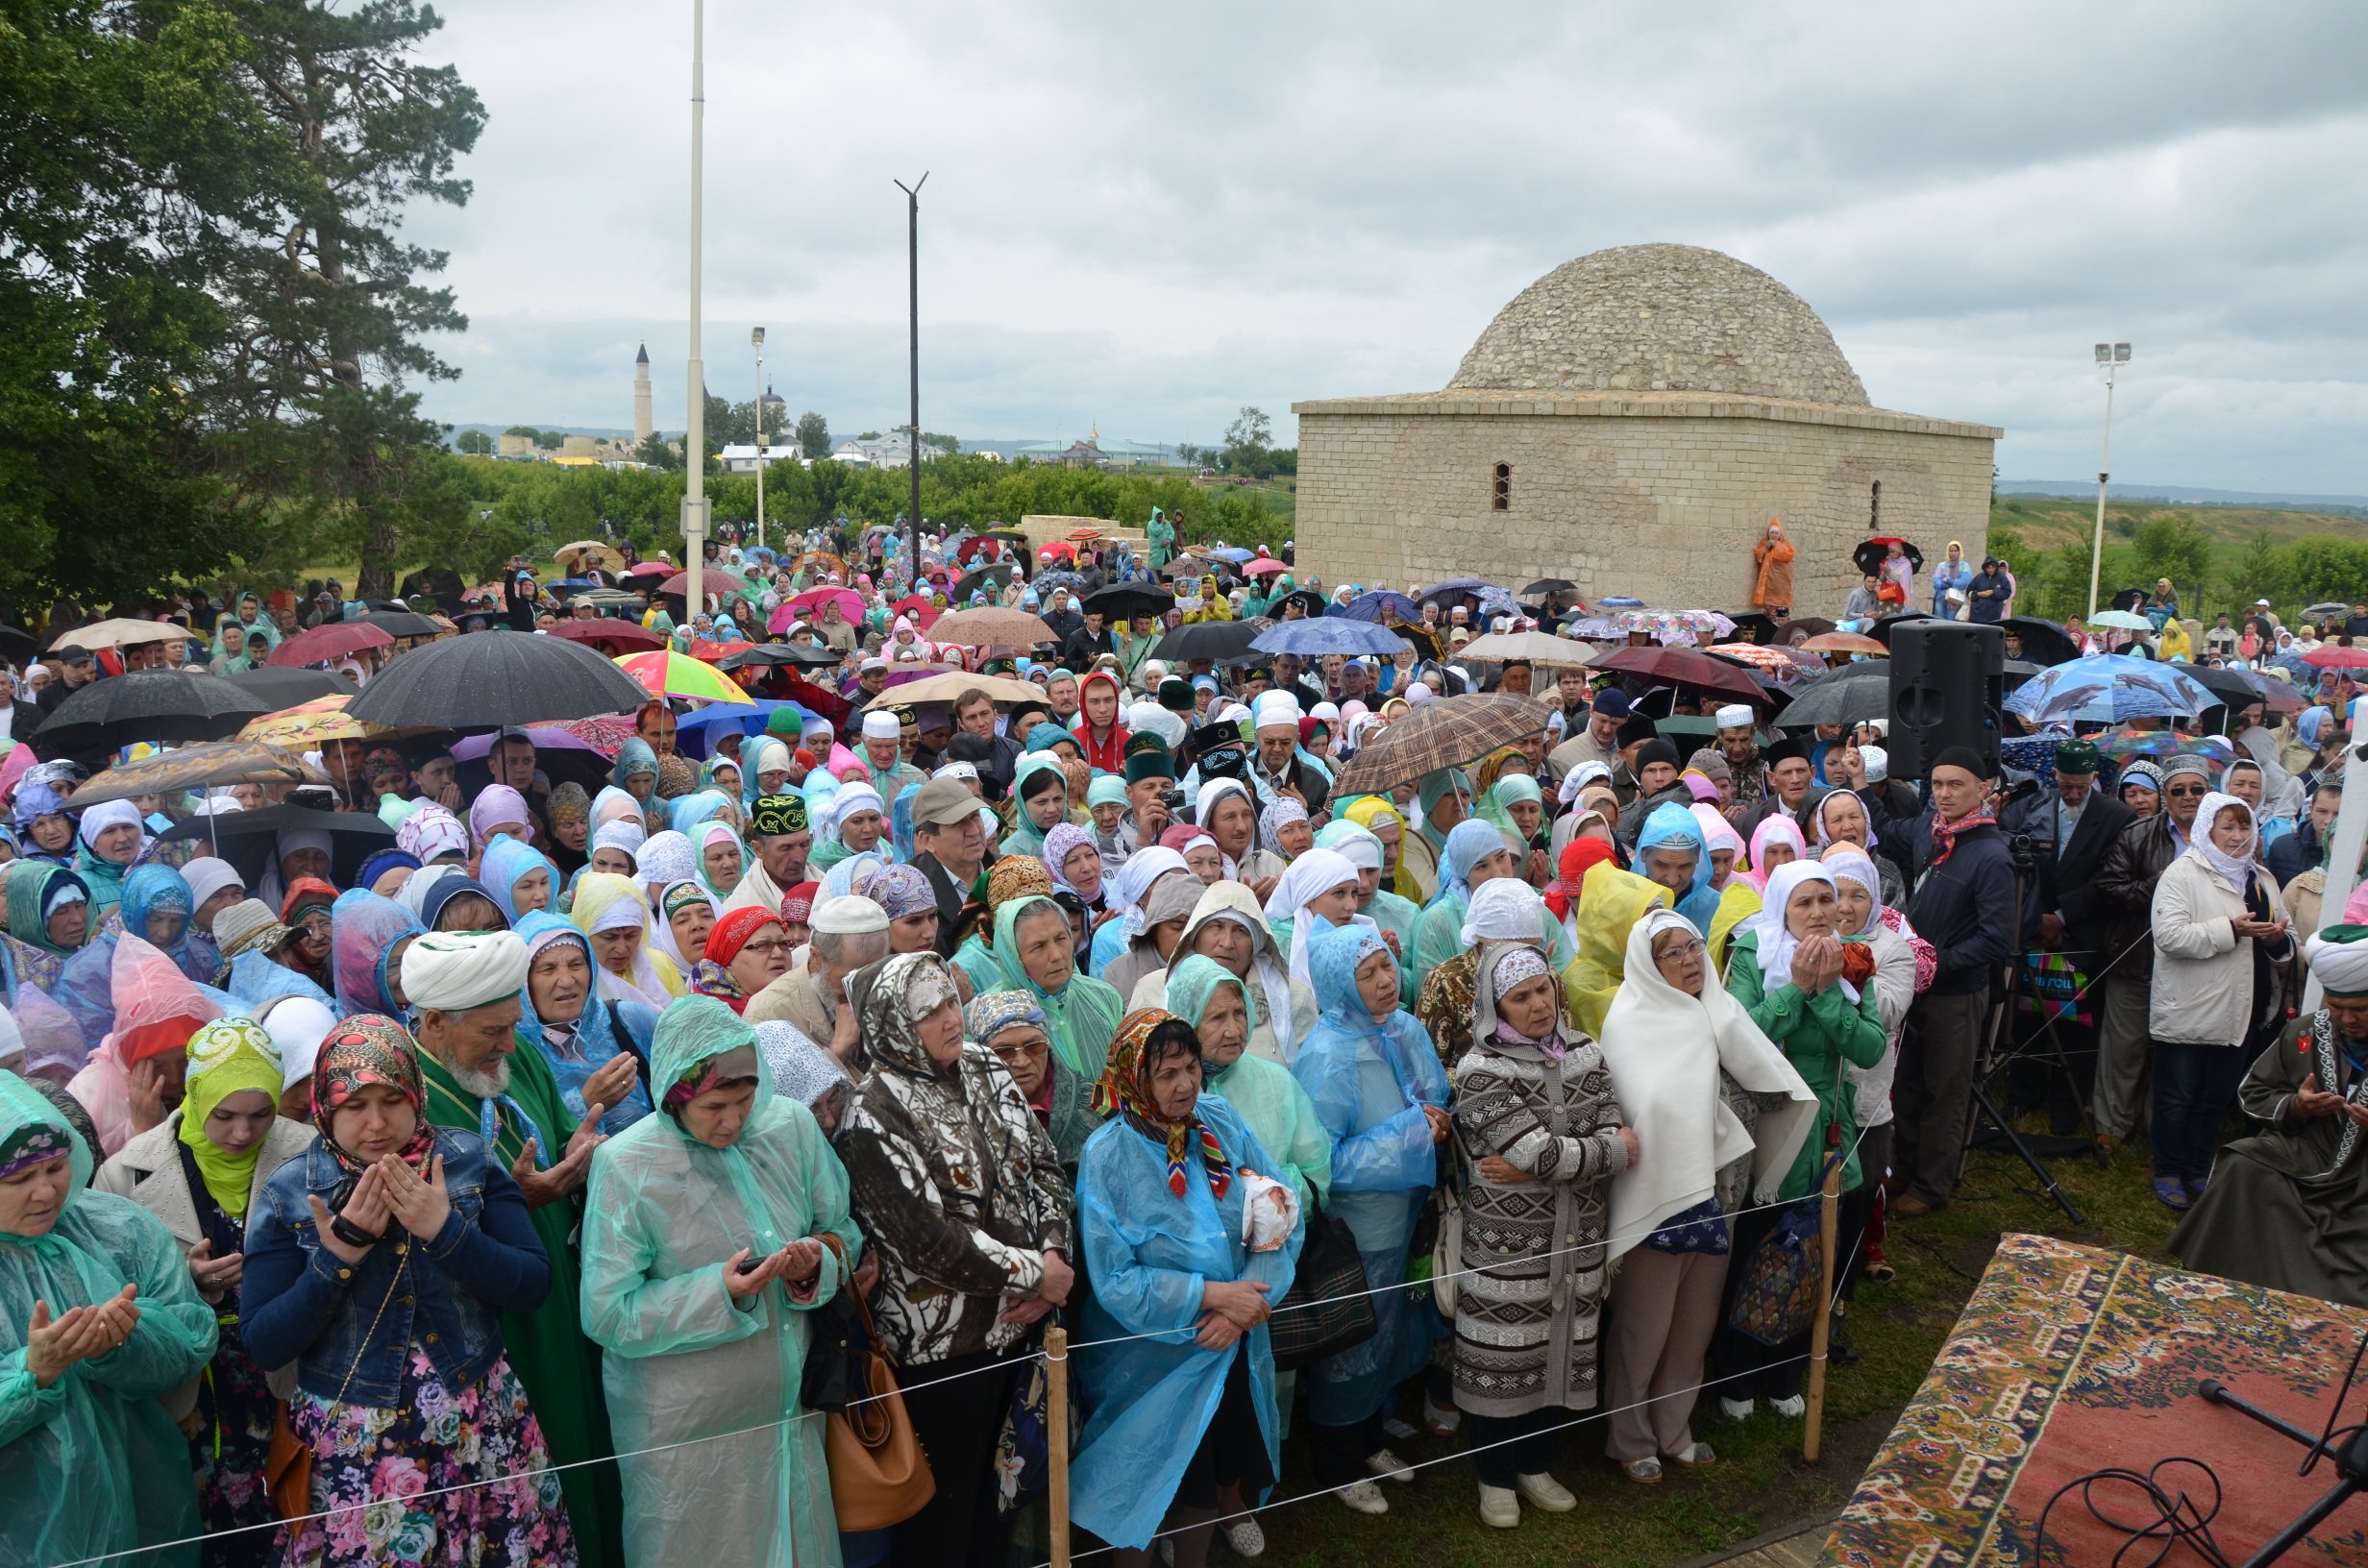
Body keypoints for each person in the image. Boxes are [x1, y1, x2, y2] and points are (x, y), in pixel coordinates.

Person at [240, 1015, 577, 1568]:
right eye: (354, 1106)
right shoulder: (291, 1192)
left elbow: (531, 1285)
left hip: (481, 1425)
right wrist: (340, 1256)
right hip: (356, 1446)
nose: (377, 1124)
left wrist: (445, 1231)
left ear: (416, 1093)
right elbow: (265, 1343)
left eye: (392, 1100)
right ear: (325, 1107)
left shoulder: (468, 1160)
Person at [579, 995, 861, 1568]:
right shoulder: (629, 1166)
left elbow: (842, 1231)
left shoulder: (789, 1128)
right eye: (713, 1106)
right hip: (688, 1437)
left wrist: (816, 1266)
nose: (732, 1120)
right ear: (674, 1098)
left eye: (743, 1099)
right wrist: (719, 1292)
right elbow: (608, 1313)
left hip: (788, 1419)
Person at [834, 951, 1074, 1568]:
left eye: (949, 1002)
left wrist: (1053, 1253)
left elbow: (1042, 1164)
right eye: (928, 1014)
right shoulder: (872, 1115)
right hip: (941, 1356)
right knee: (943, 1527)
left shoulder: (985, 1064)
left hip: (1019, 1330)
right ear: (890, 1025)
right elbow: (931, 1242)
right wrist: (1037, 1274)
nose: (949, 1020)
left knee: (1000, 1510)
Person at [405, 929, 631, 1568]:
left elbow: (560, 1136)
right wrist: (516, 1203)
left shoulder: (517, 1057)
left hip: (556, 1281)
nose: (509, 1045)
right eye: (492, 1033)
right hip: (481, 1316)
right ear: (434, 1024)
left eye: (512, 1026)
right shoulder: (401, 1094)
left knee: (583, 1438)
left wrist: (576, 1156)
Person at [1071, 1008, 1304, 1565]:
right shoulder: (1108, 1155)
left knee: (1207, 1480)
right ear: (1134, 1079)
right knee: (1143, 1490)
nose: (1185, 1085)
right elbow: (1118, 1282)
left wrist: (1246, 1303)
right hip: (1149, 1359)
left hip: (1225, 1343)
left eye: (1190, 1067)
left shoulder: (1218, 1122)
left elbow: (1276, 1217)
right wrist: (1214, 1297)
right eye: (1165, 1074)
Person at [1597, 910, 1813, 1482]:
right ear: (1648, 964)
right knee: (1644, 1327)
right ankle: (1629, 1435)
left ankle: (1675, 1428)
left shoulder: (1722, 1012)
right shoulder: (1632, 1022)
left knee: (1694, 1324)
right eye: (1672, 953)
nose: (1691, 960)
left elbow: (1771, 1085)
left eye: (1694, 946)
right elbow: (1646, 1113)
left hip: (1721, 1196)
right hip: (1662, 1204)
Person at [93, 1017, 314, 1565]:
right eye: (225, 1116)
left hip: (291, 1371)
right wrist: (183, 1280)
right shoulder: (126, 1174)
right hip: (195, 1391)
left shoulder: (311, 1152)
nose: (242, 1133)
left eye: (260, 1115)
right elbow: (109, 1291)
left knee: (299, 1512)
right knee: (214, 1528)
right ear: (193, 1094)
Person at [0, 1072, 220, 1568]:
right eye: (17, 1180)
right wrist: (32, 1375)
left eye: (57, 1168)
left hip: (140, 1500)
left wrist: (126, 1341)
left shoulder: (117, 1227)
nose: (45, 1193)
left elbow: (190, 1342)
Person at [1449, 942, 1633, 1527]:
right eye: (1520, 997)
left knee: (1556, 1353)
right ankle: (1493, 1477)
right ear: (1497, 1006)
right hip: (1507, 1250)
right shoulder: (1480, 1070)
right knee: (1502, 1357)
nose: (1537, 1005)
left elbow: (1580, 1141)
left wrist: (1542, 1163)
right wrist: (1590, 1154)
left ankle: (1534, 1465)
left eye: (1543, 990)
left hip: (1577, 1242)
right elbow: (1544, 1148)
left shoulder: (1585, 1052)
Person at [1714, 862, 1886, 1417]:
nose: (1816, 913)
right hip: (1771, 1123)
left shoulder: (1852, 960)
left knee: (1813, 1253)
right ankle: (1737, 1374)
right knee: (1758, 1247)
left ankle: (1785, 1370)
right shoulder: (1752, 956)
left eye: (1825, 901)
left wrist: (1830, 992)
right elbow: (1742, 1035)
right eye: (1802, 903)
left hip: (1829, 1124)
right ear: (1781, 907)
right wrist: (1795, 990)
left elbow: (1868, 1049)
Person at [1291, 923, 1448, 1515]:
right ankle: (1337, 1461)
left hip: (1407, 1213)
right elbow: (1322, 1163)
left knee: (1386, 1334)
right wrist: (1414, 1132)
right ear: (1339, 985)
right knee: (1351, 1341)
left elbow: (1432, 1092)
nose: (1386, 982)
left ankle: (1369, 1437)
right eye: (1368, 974)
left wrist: (1434, 1119)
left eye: (1388, 966)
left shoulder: (1402, 1027)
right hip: (1361, 1228)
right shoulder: (1328, 1055)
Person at [2168, 926, 2368, 1308]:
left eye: (2359, 1010)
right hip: (2307, 1152)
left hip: (2362, 1176)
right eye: (2336, 1007)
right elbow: (2252, 1093)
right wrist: (2297, 1106)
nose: (2346, 1019)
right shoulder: (2305, 1032)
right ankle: (2225, 1276)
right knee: (2244, 1163)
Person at [2148, 791, 2295, 1211]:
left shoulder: (2261, 878)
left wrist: (2278, 940)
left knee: (2215, 1096)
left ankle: (2197, 1168)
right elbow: (2171, 938)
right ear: (2207, 829)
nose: (2236, 836)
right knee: (2178, 1095)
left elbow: (2288, 938)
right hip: (2191, 1006)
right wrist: (2229, 929)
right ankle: (2168, 1169)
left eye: (2244, 826)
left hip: (2243, 1008)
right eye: (2226, 827)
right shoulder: (2183, 874)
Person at [1891, 747, 2013, 1217]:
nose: (1943, 793)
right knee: (1909, 1082)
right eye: (1937, 784)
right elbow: (1883, 825)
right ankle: (1904, 1169)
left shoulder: (1990, 855)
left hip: (1955, 994)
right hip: (1916, 987)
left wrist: (1936, 963)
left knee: (1946, 1090)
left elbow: (1995, 939)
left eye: (1955, 784)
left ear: (1983, 790)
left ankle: (1930, 1185)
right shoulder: (1933, 832)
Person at [2092, 754, 2213, 1161]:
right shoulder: (2137, 834)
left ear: (2209, 792)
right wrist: (2155, 886)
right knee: (2122, 1049)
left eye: (2197, 789)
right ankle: (2110, 1127)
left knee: (2177, 1054)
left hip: (2196, 967)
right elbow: (2108, 890)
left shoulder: (2226, 835)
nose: (2189, 797)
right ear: (2165, 796)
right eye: (2179, 790)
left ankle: (2159, 1128)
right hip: (2137, 958)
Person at [516, 911, 657, 1134]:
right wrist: (584, 1104)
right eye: (548, 969)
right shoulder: (514, 1054)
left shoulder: (629, 1020)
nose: (566, 981)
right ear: (523, 983)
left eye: (576, 964)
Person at [1750, 520, 1793, 618]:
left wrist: (1777, 546)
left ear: (1780, 534)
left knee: (1779, 607)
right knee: (1768, 607)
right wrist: (1766, 547)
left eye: (1776, 533)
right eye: (1772, 533)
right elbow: (1758, 555)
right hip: (1767, 579)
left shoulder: (1785, 543)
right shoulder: (1764, 542)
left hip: (1780, 581)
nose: (1774, 535)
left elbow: (1788, 555)